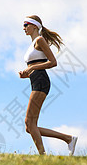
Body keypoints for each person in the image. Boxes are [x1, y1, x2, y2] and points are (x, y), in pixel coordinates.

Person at [19, 15, 78, 155]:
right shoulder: (32, 44)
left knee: (29, 123)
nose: (24, 28)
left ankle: (42, 155)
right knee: (29, 126)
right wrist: (26, 72)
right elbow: (34, 65)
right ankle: (68, 139)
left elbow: (53, 62)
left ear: (35, 26)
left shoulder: (40, 40)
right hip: (35, 80)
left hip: (41, 80)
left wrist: (32, 68)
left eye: (26, 24)